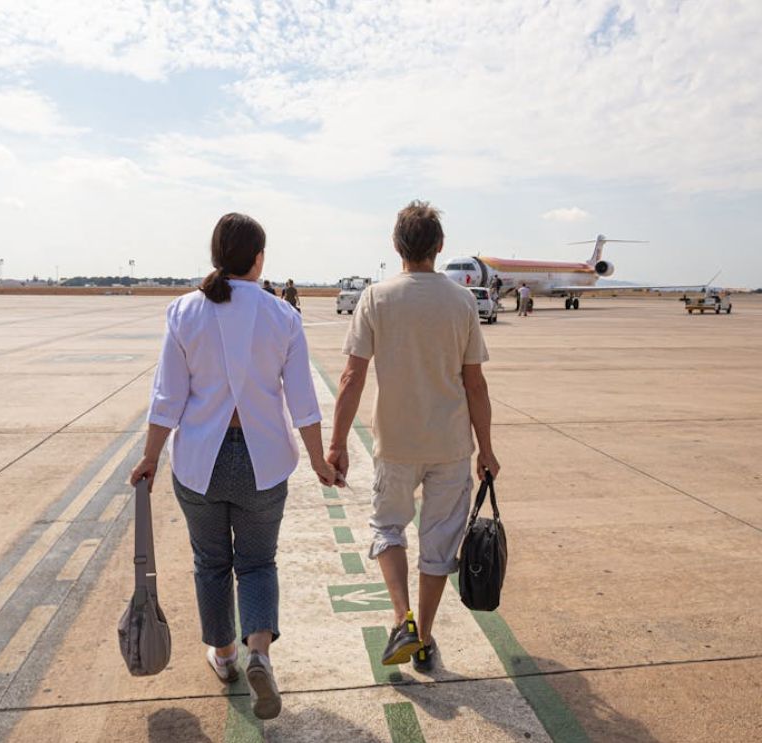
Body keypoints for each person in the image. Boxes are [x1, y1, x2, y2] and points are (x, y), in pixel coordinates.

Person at [129, 213, 339, 721]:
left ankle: (224, 656)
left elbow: (167, 397)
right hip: (262, 461)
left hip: (200, 460)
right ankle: (260, 653)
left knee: (211, 563)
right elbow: (304, 401)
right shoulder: (283, 316)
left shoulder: (184, 312)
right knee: (258, 563)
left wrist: (151, 457)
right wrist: (319, 459)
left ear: (216, 255)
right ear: (259, 258)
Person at [329, 200, 500, 674]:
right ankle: (423, 638)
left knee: (388, 529)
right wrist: (486, 449)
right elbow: (475, 384)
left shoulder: (375, 298)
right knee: (439, 546)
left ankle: (400, 617)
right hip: (449, 446)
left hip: (396, 444)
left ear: (396, 246)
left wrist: (337, 443)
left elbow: (352, 377)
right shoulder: (463, 301)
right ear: (439, 247)